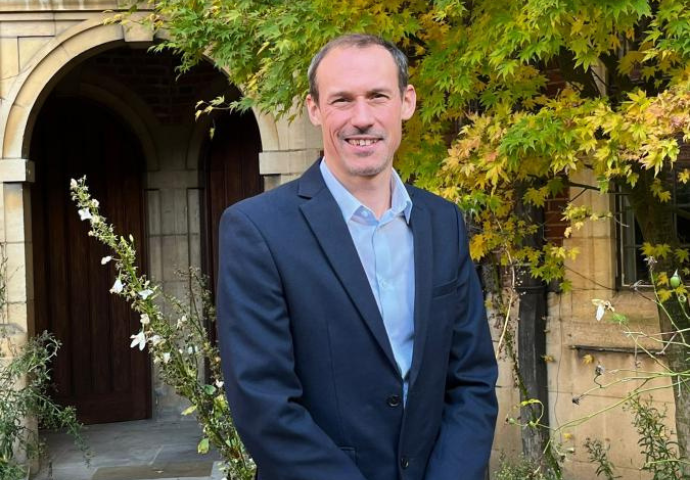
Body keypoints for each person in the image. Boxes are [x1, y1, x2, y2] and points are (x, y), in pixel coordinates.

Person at [216, 34, 498, 480]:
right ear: (314, 109)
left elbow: (472, 379)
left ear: (406, 102)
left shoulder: (443, 222)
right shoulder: (257, 230)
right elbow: (263, 402)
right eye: (342, 100)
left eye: (378, 96)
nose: (362, 118)